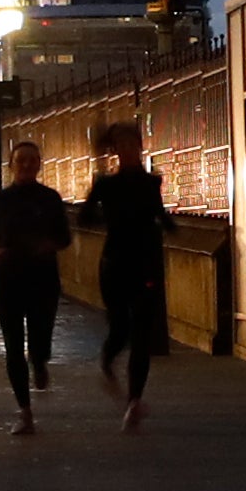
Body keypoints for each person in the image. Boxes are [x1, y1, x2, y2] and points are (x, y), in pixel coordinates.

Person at [0, 138, 71, 437]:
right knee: (13, 346)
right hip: (10, 279)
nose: (27, 165)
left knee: (40, 340)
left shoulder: (51, 199)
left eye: (32, 160)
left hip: (43, 279)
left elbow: (65, 237)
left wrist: (48, 245)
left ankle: (40, 362)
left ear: (39, 164)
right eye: (21, 161)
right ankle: (24, 412)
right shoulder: (0, 201)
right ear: (12, 166)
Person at [79, 122, 171, 430]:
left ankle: (134, 400)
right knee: (120, 327)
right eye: (122, 145)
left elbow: (160, 215)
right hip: (115, 263)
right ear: (115, 150)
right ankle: (107, 359)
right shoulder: (105, 185)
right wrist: (113, 216)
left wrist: (165, 225)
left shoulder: (151, 183)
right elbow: (85, 217)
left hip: (144, 264)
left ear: (139, 148)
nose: (128, 150)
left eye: (132, 144)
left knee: (142, 334)